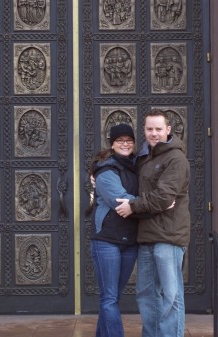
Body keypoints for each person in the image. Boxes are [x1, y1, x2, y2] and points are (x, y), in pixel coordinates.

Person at [115, 109, 191, 337]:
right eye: (149, 129)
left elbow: (163, 198)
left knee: (170, 295)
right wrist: (95, 173)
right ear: (144, 131)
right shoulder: (144, 157)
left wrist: (133, 206)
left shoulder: (176, 159)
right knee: (146, 295)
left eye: (159, 129)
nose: (154, 133)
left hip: (169, 236)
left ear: (168, 130)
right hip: (146, 235)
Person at [89, 123, 140, 337]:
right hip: (107, 240)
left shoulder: (136, 167)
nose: (125, 144)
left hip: (130, 240)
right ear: (112, 144)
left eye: (129, 140)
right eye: (120, 140)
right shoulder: (105, 170)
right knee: (109, 298)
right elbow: (120, 201)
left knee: (113, 298)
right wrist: (152, 204)